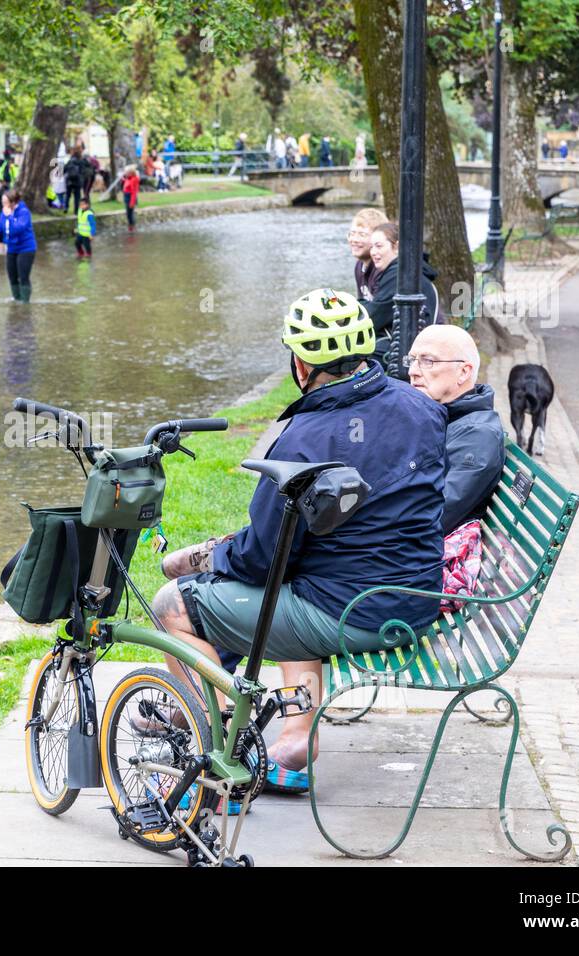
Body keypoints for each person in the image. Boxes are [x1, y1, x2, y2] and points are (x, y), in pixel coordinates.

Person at [155, 289, 446, 792]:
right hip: (414, 600)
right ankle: (294, 739)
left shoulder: (302, 439)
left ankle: (220, 744)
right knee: (297, 585)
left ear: (302, 364)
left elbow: (262, 560)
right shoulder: (420, 408)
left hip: (354, 612)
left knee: (172, 606)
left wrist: (202, 556)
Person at [408, 324, 505, 533]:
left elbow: (432, 520)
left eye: (428, 361)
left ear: (463, 372)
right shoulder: (441, 417)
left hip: (416, 556)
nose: (413, 371)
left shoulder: (478, 435)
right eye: (412, 360)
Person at [363, 222, 443, 363]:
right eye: (371, 247)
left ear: (397, 246)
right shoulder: (409, 268)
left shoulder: (400, 274)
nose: (373, 252)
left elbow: (373, 318)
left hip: (413, 350)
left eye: (379, 246)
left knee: (351, 354)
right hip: (418, 342)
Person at [0, 189, 37, 302]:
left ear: (13, 202)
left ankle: (25, 302)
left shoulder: (23, 212)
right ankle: (16, 299)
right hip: (12, 248)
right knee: (12, 276)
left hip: (26, 248)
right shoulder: (4, 212)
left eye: (5, 202)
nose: (3, 205)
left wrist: (9, 217)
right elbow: (0, 227)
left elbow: (18, 229)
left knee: (23, 276)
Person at [348, 207, 388, 301]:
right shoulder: (359, 265)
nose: (354, 240)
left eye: (362, 235)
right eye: (352, 233)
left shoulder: (382, 269)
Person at [63, 147, 86, 214]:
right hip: (77, 181)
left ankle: (66, 208)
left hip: (69, 181)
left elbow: (64, 170)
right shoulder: (81, 161)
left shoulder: (70, 161)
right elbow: (83, 171)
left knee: (67, 195)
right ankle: (76, 210)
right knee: (77, 197)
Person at [122, 164, 140, 232]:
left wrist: (132, 202)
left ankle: (132, 227)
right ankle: (131, 226)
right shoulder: (128, 178)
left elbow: (134, 192)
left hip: (130, 197)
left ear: (131, 173)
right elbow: (126, 183)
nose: (125, 173)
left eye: (127, 172)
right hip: (127, 196)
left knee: (130, 214)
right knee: (128, 213)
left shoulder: (134, 179)